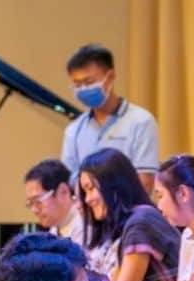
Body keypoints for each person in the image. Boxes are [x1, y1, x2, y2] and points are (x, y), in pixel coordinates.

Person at [78, 148, 180, 281]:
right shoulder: (127, 226)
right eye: (85, 192)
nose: (87, 199)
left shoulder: (141, 222)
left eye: (90, 188)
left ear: (113, 184)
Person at [60, 44, 159, 193]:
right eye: (77, 84)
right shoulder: (73, 131)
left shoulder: (141, 121)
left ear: (110, 77)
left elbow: (145, 182)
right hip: (88, 213)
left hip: (130, 214)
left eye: (89, 82)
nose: (83, 89)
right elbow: (69, 183)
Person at [25, 158, 85, 244]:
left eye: (38, 201)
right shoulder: (54, 229)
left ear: (63, 191)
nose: (34, 210)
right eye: (30, 203)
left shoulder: (86, 229)